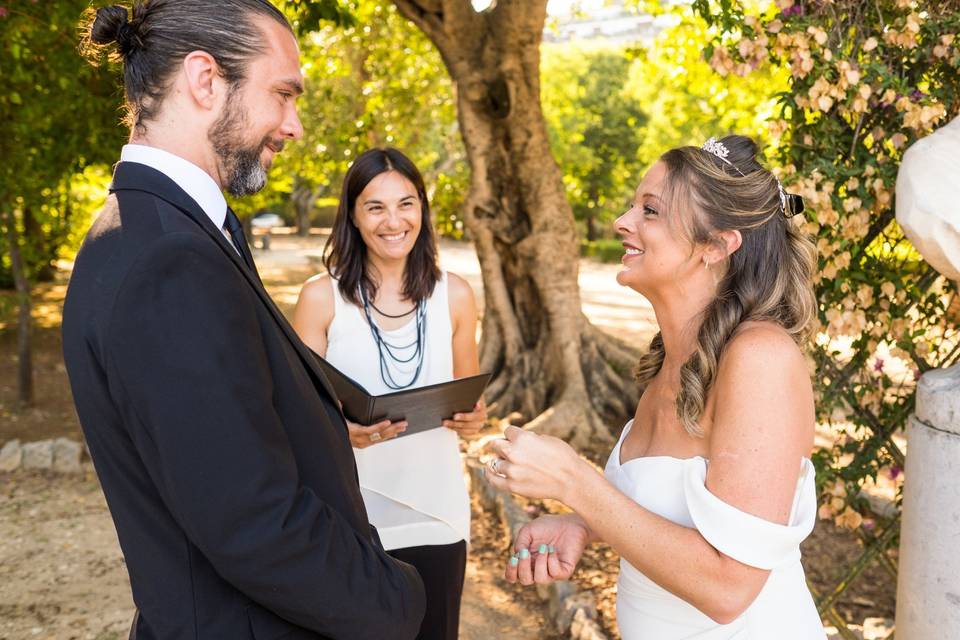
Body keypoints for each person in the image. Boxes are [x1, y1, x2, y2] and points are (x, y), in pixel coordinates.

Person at [62, 3, 425, 639]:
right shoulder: (168, 259)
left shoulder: (154, 230)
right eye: (283, 94)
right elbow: (250, 520)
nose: (295, 126)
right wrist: (397, 598)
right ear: (205, 80)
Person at [486, 135, 827, 639]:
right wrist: (586, 527)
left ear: (715, 245)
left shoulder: (760, 359)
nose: (623, 222)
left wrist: (574, 484)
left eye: (650, 210)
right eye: (632, 206)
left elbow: (728, 587)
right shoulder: (674, 360)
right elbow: (676, 516)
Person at [292, 147, 486, 640]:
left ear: (422, 208)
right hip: (351, 515)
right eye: (375, 207)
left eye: (406, 203)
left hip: (437, 508)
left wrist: (473, 420)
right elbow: (298, 416)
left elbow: (469, 400)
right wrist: (341, 431)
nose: (393, 220)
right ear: (353, 216)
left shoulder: (456, 294)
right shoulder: (321, 298)